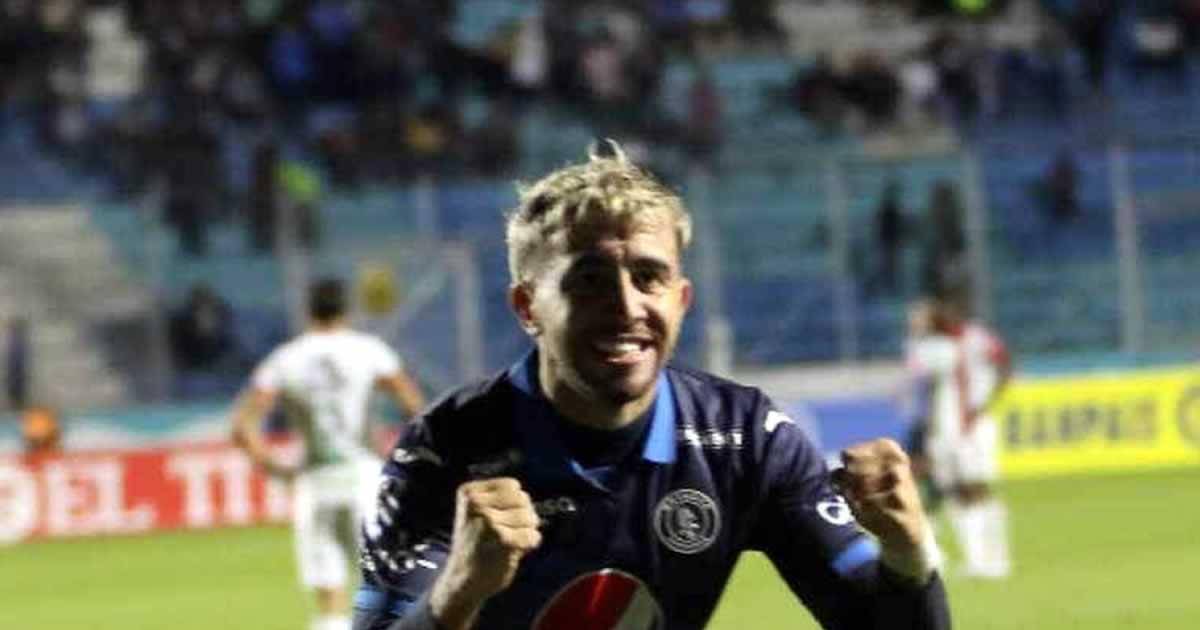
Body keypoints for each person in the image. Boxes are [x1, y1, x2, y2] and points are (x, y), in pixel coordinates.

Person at [352, 142, 950, 629]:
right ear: (528, 307)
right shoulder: (445, 449)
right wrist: (457, 591)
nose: (625, 305)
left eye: (648, 277)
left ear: (682, 300)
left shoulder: (746, 438)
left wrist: (907, 553)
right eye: (589, 280)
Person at [231, 278, 427, 630]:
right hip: (365, 480)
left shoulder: (286, 359)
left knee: (330, 604)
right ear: (346, 309)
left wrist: (276, 468)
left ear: (307, 311)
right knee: (386, 592)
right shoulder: (369, 351)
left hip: (316, 484)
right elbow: (415, 409)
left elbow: (242, 427)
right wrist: (402, 458)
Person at [905, 287, 1012, 579]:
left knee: (975, 488)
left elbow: (1004, 363)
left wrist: (985, 403)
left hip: (972, 428)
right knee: (955, 491)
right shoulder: (935, 346)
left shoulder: (974, 337)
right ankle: (978, 559)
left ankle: (996, 558)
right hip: (946, 429)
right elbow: (926, 387)